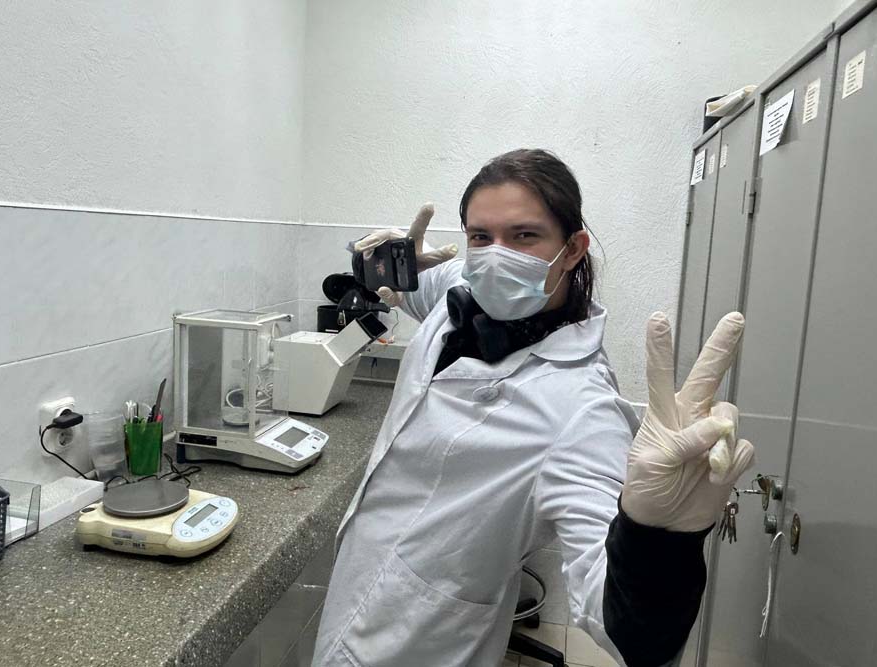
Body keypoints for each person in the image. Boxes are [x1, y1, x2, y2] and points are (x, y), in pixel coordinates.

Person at [311, 149, 754, 667]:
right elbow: (399, 286)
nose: (496, 258)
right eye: (481, 237)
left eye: (524, 236)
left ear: (572, 250)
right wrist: (376, 264)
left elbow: (632, 636)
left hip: (424, 639)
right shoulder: (462, 285)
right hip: (359, 582)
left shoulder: (581, 409)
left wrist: (659, 539)